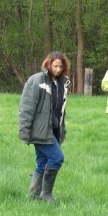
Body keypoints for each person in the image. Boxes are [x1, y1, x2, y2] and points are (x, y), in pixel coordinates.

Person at [18, 52, 71, 202]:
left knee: (42, 162)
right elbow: (26, 107)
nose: (58, 69)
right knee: (57, 158)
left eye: (61, 66)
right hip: (39, 130)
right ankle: (46, 194)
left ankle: (34, 195)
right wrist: (24, 131)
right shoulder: (37, 80)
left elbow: (60, 110)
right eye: (55, 66)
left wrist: (62, 130)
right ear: (48, 64)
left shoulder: (62, 83)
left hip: (53, 129)